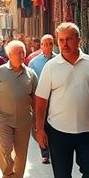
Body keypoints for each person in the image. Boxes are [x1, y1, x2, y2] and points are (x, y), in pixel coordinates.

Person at [35, 23, 89, 178]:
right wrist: (40, 128)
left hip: (87, 130)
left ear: (78, 40)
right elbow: (40, 100)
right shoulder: (51, 67)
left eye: (68, 39)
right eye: (61, 40)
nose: (64, 44)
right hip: (58, 131)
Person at [0, 40, 38, 178]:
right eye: (18, 53)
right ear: (9, 55)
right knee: (5, 150)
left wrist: (37, 119)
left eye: (23, 52)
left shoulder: (31, 74)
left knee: (21, 155)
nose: (22, 55)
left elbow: (35, 98)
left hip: (24, 120)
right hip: (3, 119)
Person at [26, 34, 56, 164]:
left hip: (55, 98)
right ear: (41, 46)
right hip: (40, 99)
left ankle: (54, 150)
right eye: (45, 44)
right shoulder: (34, 62)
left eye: (51, 43)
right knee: (40, 125)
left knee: (53, 125)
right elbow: (30, 82)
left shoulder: (59, 60)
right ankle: (44, 152)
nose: (48, 46)